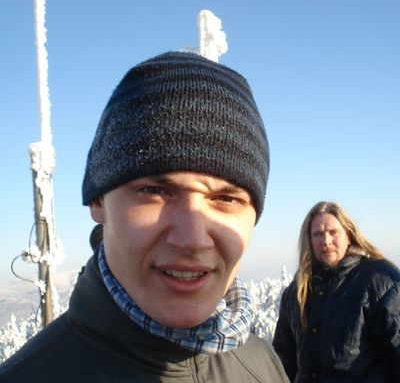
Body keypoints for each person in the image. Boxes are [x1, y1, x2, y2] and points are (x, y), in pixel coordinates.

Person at [0, 51, 289, 382]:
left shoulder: (262, 365)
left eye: (226, 198)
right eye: (154, 191)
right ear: (98, 201)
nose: (192, 239)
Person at [273, 201, 400, 382]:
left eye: (333, 232)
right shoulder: (297, 293)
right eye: (318, 234)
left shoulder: (379, 281)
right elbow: (283, 362)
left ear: (348, 235)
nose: (326, 241)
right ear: (309, 241)